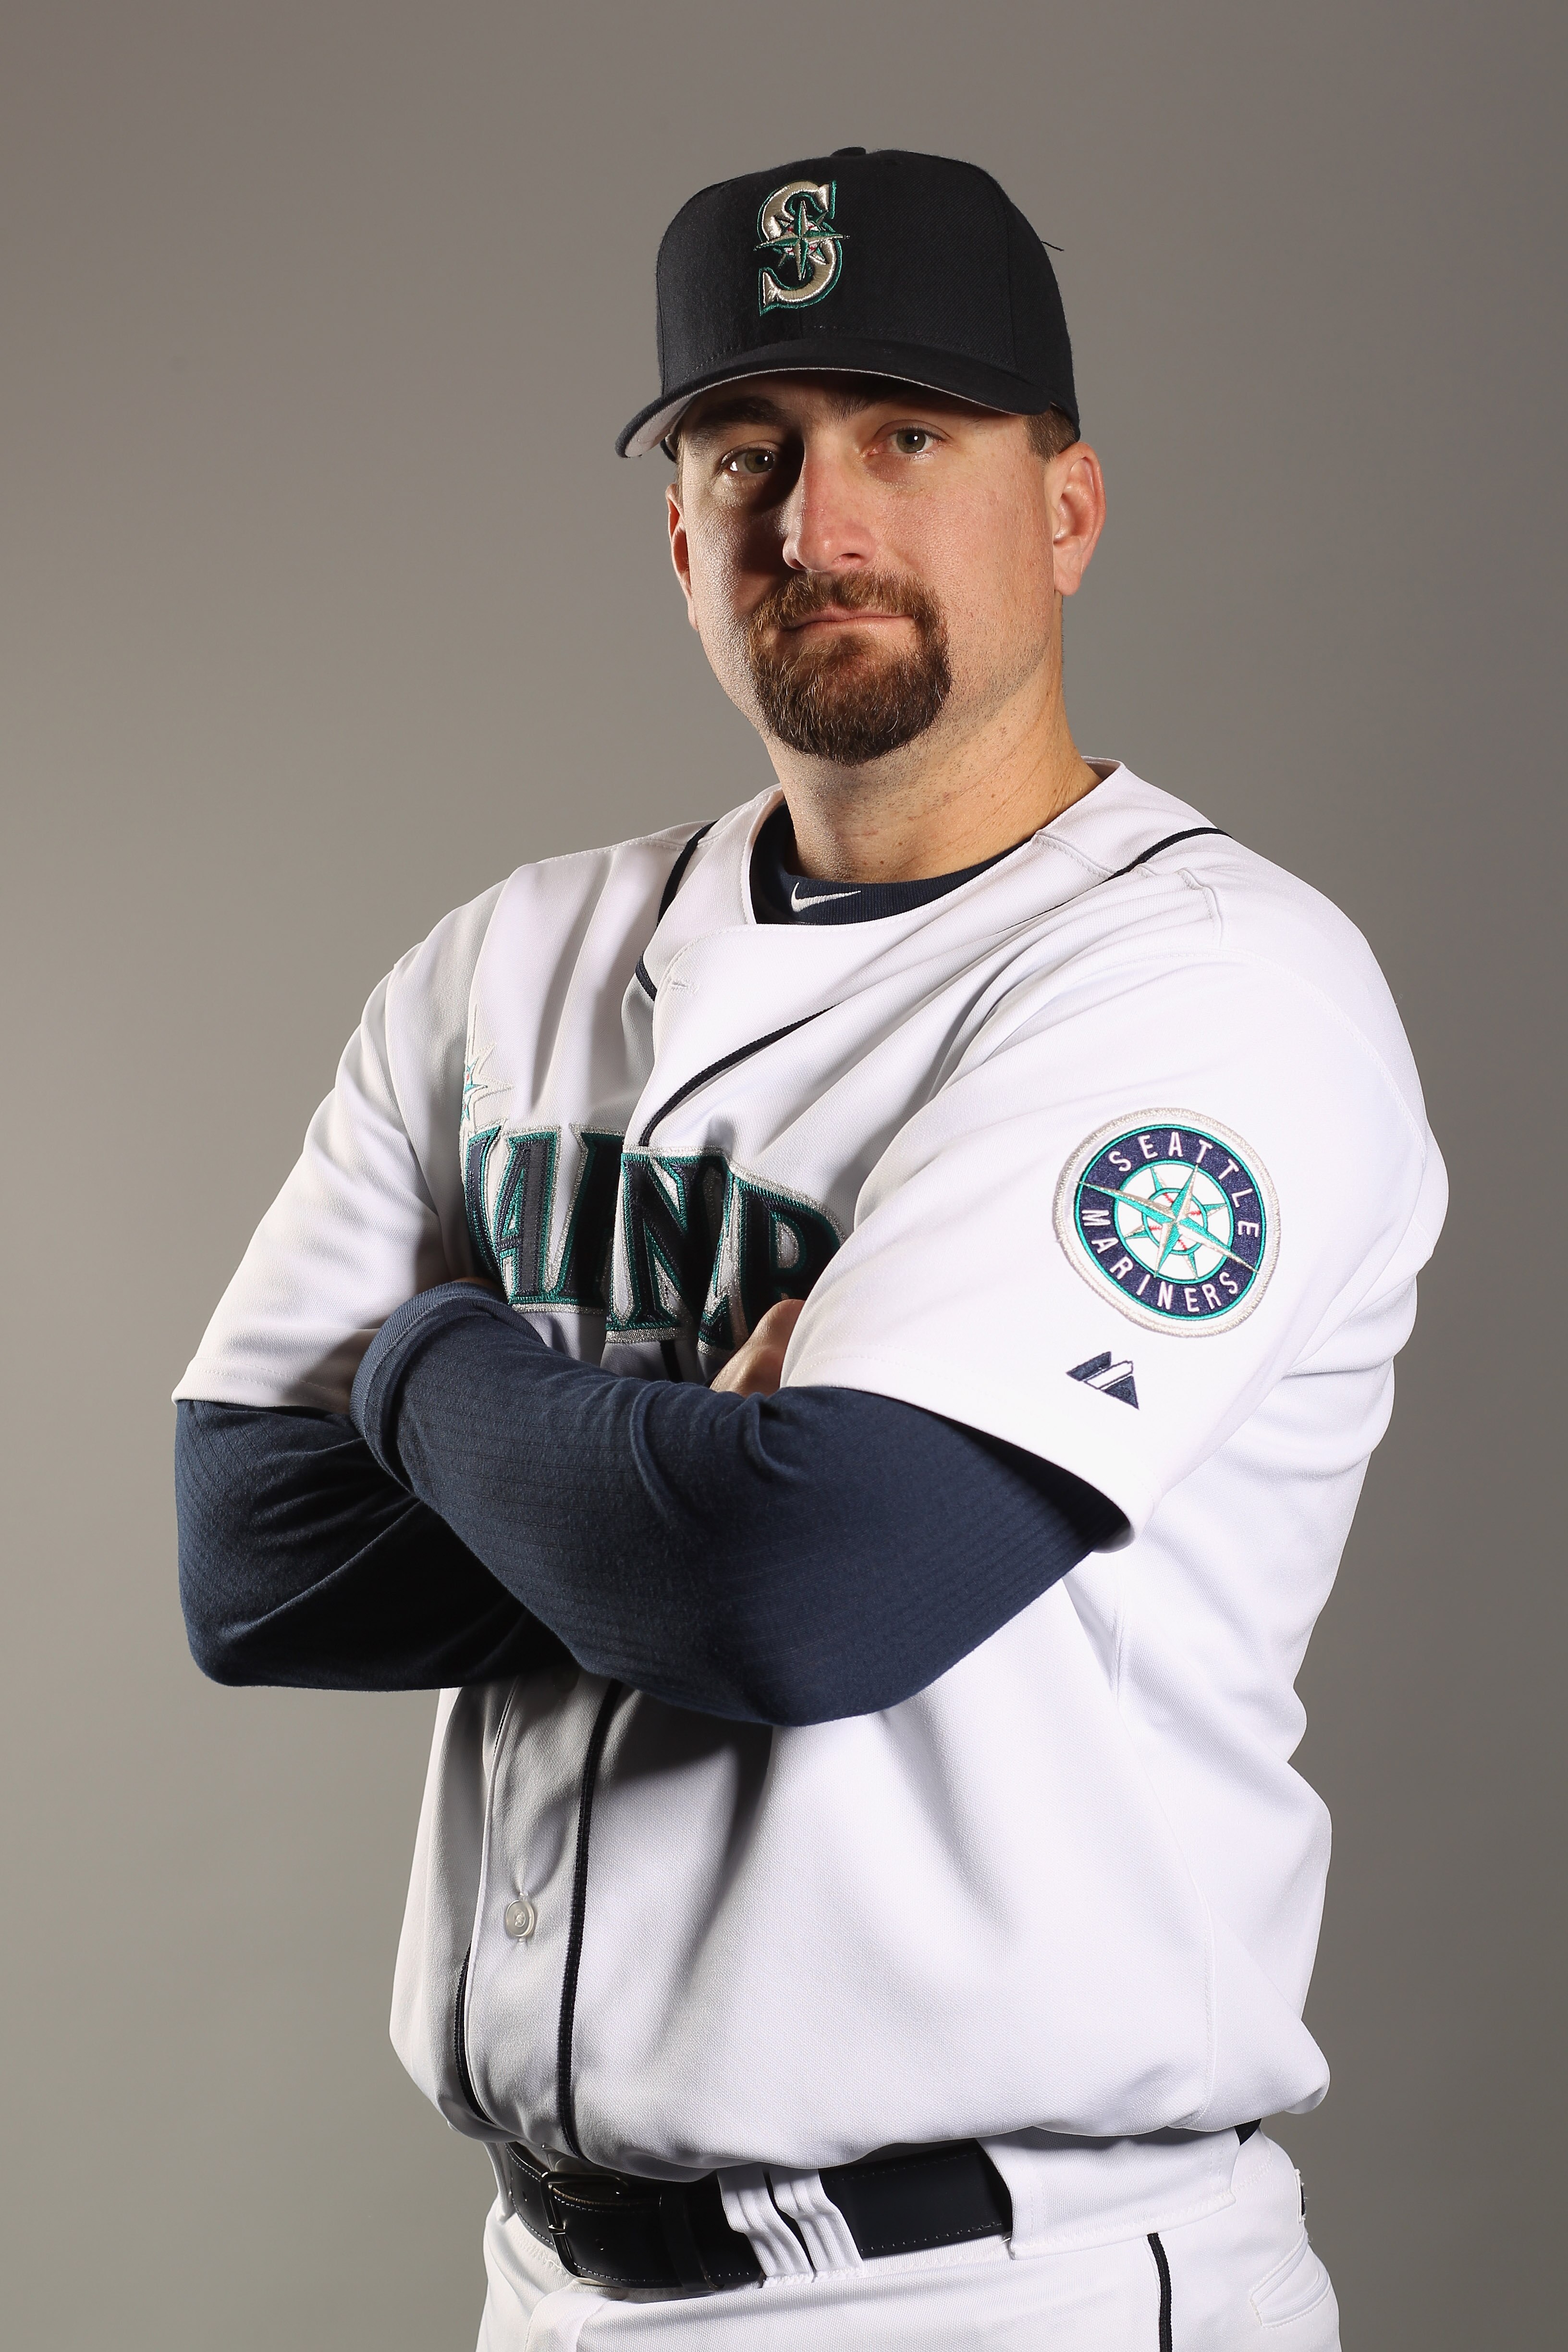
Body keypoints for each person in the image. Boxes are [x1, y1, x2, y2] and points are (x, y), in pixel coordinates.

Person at [173, 148, 1445, 2349]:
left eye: (907, 439)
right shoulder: (511, 959)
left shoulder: (1214, 984)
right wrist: (676, 1461)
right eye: (744, 453)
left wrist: (423, 1373)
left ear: (1066, 509)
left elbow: (802, 1587)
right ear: (679, 534)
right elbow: (248, 1559)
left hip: (1002, 2283)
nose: (818, 523)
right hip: (545, 2285)